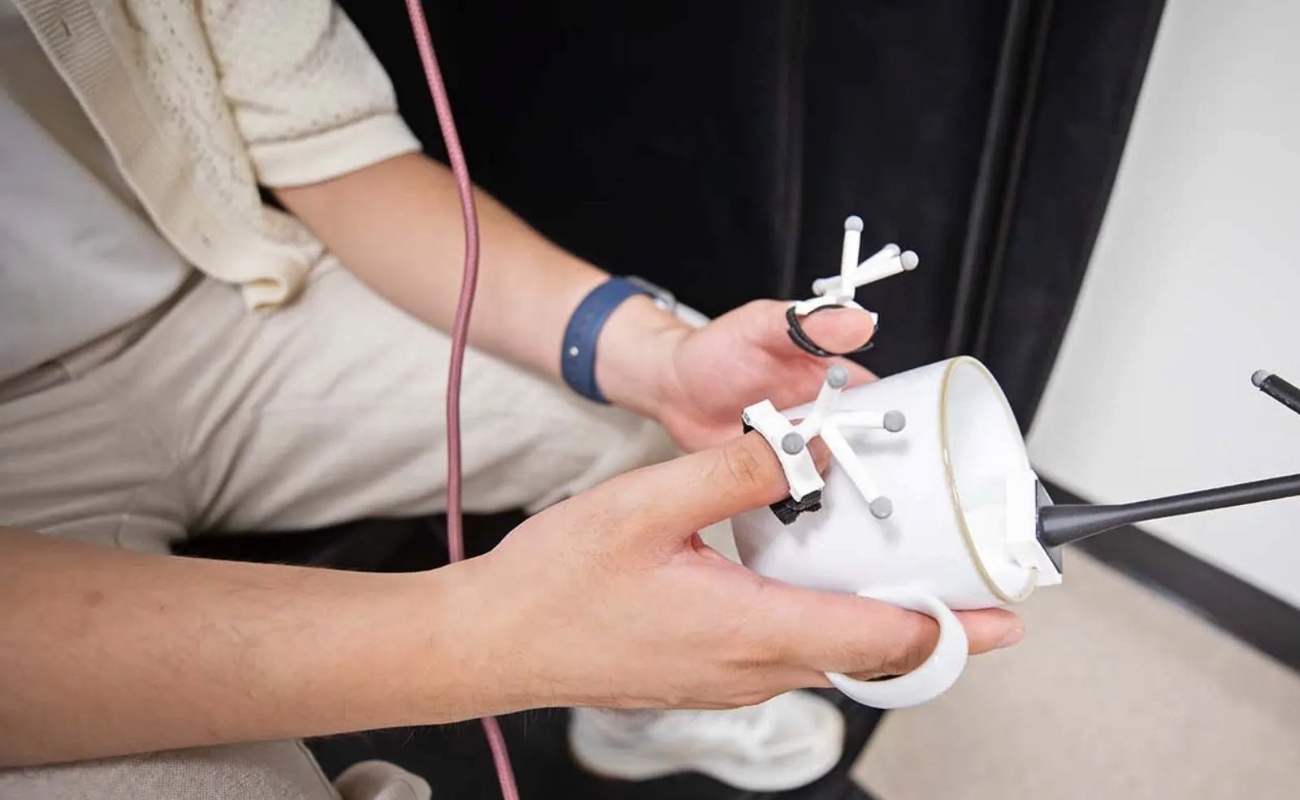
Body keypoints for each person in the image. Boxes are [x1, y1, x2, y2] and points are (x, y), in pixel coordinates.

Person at [0, 1, 1024, 798]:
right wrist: (484, 639)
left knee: (673, 422)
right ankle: (629, 669)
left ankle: (632, 715)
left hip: (218, 295)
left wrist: (661, 356)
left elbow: (337, 151)